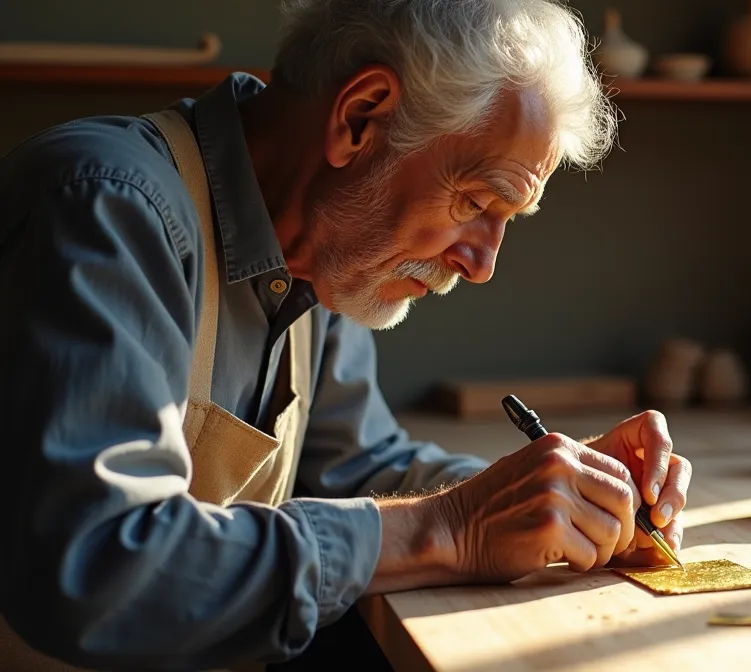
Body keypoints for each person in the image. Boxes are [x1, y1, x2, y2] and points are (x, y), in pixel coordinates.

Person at [0, 0, 692, 669]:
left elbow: (361, 467)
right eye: (477, 203)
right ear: (360, 118)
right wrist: (452, 529)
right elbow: (98, 570)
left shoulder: (319, 255)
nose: (481, 265)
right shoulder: (106, 208)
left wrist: (558, 495)